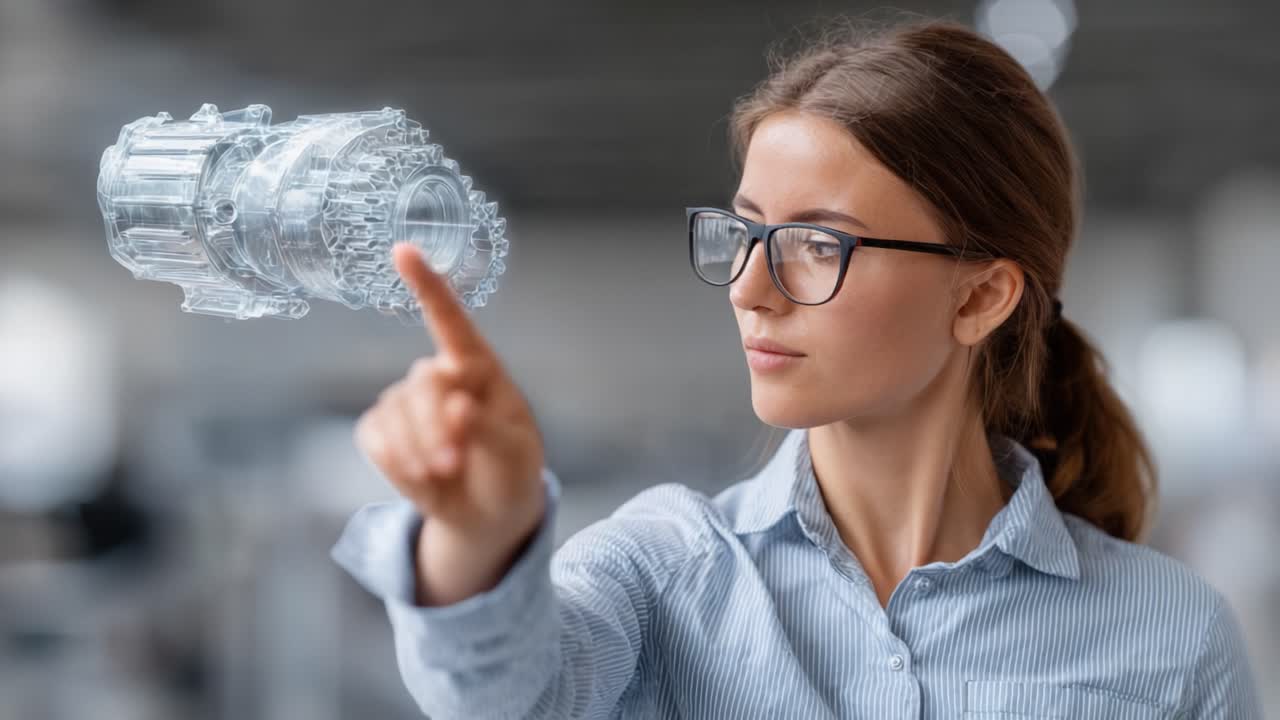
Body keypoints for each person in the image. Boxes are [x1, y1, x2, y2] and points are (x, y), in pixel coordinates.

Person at [330, 18, 1264, 719]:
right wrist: (478, 542)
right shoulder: (668, 571)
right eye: (745, 231)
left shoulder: (1170, 636)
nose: (749, 286)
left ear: (981, 297)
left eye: (818, 243)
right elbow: (514, 691)